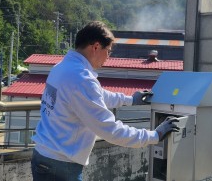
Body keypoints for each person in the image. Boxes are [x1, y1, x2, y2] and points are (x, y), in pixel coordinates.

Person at [31, 21, 179, 181]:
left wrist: (130, 99)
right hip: (60, 167)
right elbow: (110, 130)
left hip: (43, 156)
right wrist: (155, 136)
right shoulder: (82, 79)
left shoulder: (62, 67)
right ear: (95, 47)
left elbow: (97, 95)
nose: (108, 58)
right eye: (108, 51)